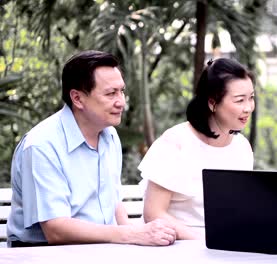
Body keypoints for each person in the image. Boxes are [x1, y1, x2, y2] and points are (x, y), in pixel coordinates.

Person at [7, 50, 176, 247]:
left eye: (121, 91)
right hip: (45, 253)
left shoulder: (110, 135)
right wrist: (130, 234)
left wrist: (138, 241)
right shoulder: (41, 146)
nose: (121, 102)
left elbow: (114, 204)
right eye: (111, 93)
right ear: (77, 98)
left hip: (100, 250)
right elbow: (55, 229)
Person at [138, 58, 255, 240]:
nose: (248, 108)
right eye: (240, 100)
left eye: (251, 98)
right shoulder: (175, 142)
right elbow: (153, 213)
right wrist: (203, 243)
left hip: (225, 248)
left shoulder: (242, 147)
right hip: (177, 247)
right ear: (212, 102)